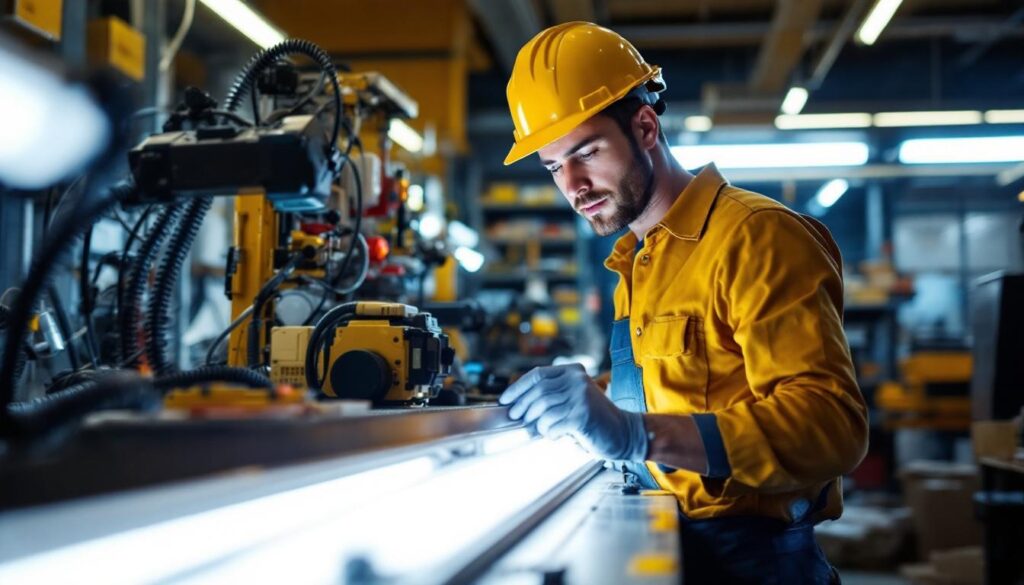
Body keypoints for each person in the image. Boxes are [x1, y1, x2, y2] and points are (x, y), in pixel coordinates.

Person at [497, 21, 868, 584]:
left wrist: (636, 435)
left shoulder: (756, 236)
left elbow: (831, 426)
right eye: (553, 167)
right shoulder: (636, 260)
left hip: (757, 563)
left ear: (645, 127)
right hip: (675, 538)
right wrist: (581, 400)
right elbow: (686, 380)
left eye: (586, 152)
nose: (573, 186)